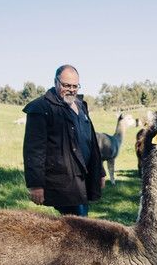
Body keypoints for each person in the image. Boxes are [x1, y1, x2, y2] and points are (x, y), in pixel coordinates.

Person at [23, 64, 105, 216]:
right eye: (66, 85)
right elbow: (34, 150)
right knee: (79, 225)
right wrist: (36, 185)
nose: (71, 90)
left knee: (81, 223)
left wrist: (100, 172)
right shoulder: (41, 108)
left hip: (83, 178)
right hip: (63, 181)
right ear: (56, 82)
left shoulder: (81, 106)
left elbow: (91, 141)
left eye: (75, 86)